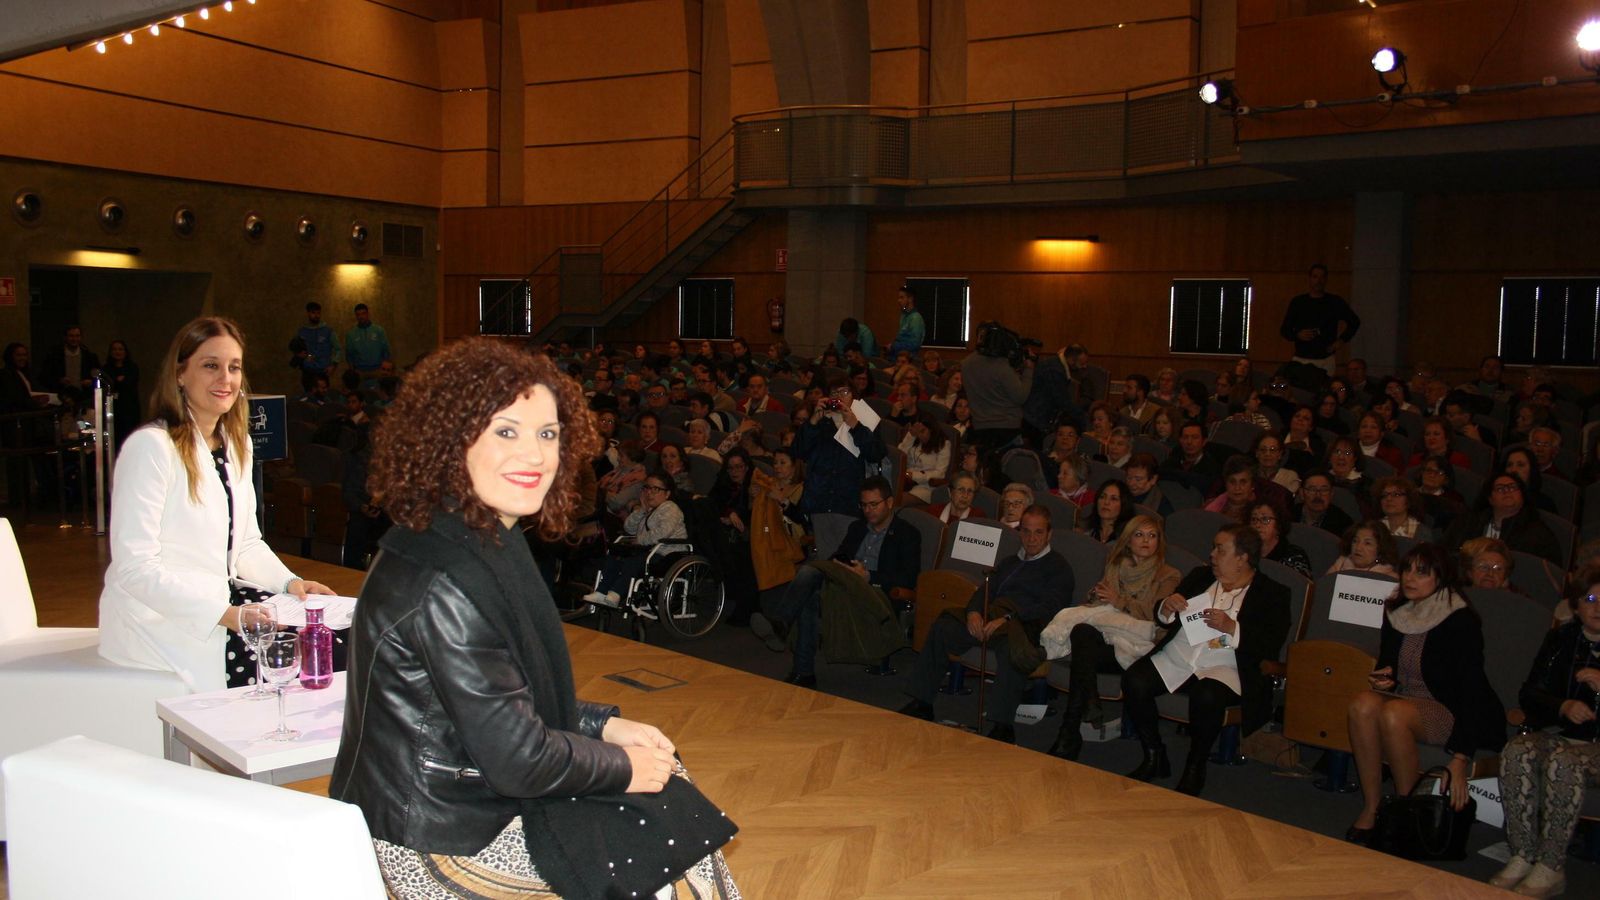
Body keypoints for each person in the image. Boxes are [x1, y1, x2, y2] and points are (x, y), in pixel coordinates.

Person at [327, 339, 737, 898]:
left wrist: (605, 725)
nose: (537, 454)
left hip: (469, 795)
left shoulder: (473, 534)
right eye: (506, 431)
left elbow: (499, 705)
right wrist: (618, 764)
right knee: (662, 864)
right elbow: (517, 759)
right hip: (434, 840)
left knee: (672, 797)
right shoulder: (447, 580)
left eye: (547, 434)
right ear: (450, 440)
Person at [98, 317, 334, 692]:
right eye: (211, 366)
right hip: (161, 619)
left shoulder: (237, 445)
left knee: (332, 637)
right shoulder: (151, 448)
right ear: (179, 374)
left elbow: (246, 545)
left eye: (234, 367)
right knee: (290, 653)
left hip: (222, 603)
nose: (225, 379)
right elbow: (134, 568)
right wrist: (227, 616)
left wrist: (292, 584)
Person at [1344, 545, 1506, 845]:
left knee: (1393, 714)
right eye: (1407, 570)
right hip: (1408, 700)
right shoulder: (1397, 611)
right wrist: (1384, 680)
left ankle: (1409, 814)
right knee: (1361, 704)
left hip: (1451, 709)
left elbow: (1472, 691)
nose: (1410, 578)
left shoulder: (1460, 619)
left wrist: (1460, 758)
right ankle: (1373, 806)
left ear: (1441, 578)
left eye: (1422, 572)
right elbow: (1388, 665)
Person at [1122, 525, 1291, 796]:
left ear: (1242, 557)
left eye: (1220, 549)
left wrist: (1232, 628)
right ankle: (1154, 755)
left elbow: (1270, 643)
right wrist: (1166, 607)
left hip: (1226, 665)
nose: (1212, 554)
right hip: (1180, 656)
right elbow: (1162, 613)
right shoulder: (1200, 577)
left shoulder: (1272, 593)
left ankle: (1195, 765)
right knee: (1134, 680)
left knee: (1207, 695)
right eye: (1214, 548)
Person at [900, 505, 1072, 742]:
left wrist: (1008, 618)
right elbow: (985, 591)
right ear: (1020, 532)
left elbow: (1050, 608)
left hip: (1024, 625)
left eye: (1038, 532)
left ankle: (1003, 725)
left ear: (1049, 534)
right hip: (992, 619)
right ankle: (922, 702)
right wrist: (973, 612)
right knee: (944, 627)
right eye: (1026, 531)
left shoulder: (1059, 568)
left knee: (1011, 651)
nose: (1031, 539)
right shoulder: (1010, 562)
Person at [1490, 567, 1600, 897]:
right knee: (1516, 750)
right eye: (1591, 599)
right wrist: (1563, 706)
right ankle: (1523, 855)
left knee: (1564, 762)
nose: (1598, 608)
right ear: (1576, 605)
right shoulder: (1562, 638)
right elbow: (1530, 694)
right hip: (1560, 735)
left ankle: (1551, 867)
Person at [753, 477, 917, 687]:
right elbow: (838, 556)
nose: (868, 510)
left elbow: (908, 579)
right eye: (864, 505)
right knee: (810, 590)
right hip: (846, 586)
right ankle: (804, 672)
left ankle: (782, 624)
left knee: (808, 573)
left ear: (890, 502)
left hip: (876, 595)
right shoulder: (858, 527)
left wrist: (869, 576)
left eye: (874, 504)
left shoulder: (907, 533)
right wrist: (841, 568)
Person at [1045, 515, 1181, 760]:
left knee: (1082, 651)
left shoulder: (1169, 575)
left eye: (1152, 535)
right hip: (1109, 639)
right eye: (1139, 535)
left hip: (1143, 645)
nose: (1146, 541)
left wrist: (1118, 601)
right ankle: (1082, 712)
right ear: (1128, 541)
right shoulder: (1115, 565)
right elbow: (1102, 611)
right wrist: (1097, 597)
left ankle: (1070, 729)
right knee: (1082, 631)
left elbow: (1157, 614)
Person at [582, 473, 689, 605]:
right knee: (615, 555)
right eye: (647, 488)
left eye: (655, 489)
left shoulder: (671, 508)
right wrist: (642, 510)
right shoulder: (649, 510)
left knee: (634, 561)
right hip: (649, 551)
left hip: (668, 553)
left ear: (667, 494)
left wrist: (640, 540)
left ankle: (616, 594)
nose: (650, 493)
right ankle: (601, 592)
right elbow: (629, 527)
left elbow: (663, 533)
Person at [793, 379, 885, 515]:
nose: (839, 396)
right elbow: (798, 451)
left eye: (845, 392)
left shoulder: (865, 421)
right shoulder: (820, 421)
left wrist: (856, 426)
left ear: (854, 397)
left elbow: (876, 454)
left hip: (850, 502)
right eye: (834, 393)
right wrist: (812, 421)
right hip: (818, 499)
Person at [1444, 471, 1562, 567]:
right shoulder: (1467, 523)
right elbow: (1448, 553)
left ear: (1522, 496)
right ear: (1490, 498)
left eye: (1513, 487)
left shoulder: (1538, 533)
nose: (1507, 491)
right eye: (1500, 488)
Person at [961, 324, 1033, 456]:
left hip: (979, 426)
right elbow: (1020, 396)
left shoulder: (966, 363)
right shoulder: (1001, 365)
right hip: (1007, 428)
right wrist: (1028, 370)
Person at [1279, 263, 1359, 374]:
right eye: (1315, 277)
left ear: (1326, 279)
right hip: (1301, 358)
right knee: (1300, 391)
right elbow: (1284, 330)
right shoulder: (1298, 302)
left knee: (1325, 390)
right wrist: (1297, 335)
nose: (1318, 281)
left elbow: (1354, 322)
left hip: (1325, 359)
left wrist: (1342, 340)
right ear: (1310, 279)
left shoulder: (1334, 302)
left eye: (1322, 277)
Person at [1251, 497, 1312, 579]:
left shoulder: (1294, 556)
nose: (1257, 525)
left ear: (1278, 525)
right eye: (1254, 519)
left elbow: (1301, 588)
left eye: (1265, 519)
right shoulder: (1244, 553)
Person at [898, 413, 951, 503]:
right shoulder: (914, 439)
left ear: (932, 429)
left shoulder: (943, 444)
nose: (920, 435)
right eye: (917, 432)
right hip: (905, 481)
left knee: (898, 500)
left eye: (922, 431)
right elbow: (899, 456)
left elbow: (940, 473)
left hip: (926, 486)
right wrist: (911, 436)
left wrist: (914, 476)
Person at [1371, 475, 1434, 542]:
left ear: (1409, 500)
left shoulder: (1422, 533)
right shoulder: (1373, 528)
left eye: (1396, 494)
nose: (1388, 499)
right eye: (1384, 495)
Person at [1327, 520, 1401, 577]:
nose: (1358, 548)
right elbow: (1322, 589)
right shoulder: (1341, 564)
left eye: (1367, 543)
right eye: (1355, 541)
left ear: (1380, 548)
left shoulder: (1389, 578)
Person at [103, 338, 141, 444]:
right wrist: (118, 381)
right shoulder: (106, 369)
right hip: (113, 408)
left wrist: (119, 382)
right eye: (114, 349)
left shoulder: (132, 367)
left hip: (129, 408)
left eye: (120, 349)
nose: (117, 352)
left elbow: (129, 383)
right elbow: (110, 385)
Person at [1416, 454, 1467, 533]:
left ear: (1446, 479)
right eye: (1429, 470)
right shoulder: (1409, 493)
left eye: (1438, 472)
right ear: (1422, 473)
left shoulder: (1454, 499)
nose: (1432, 475)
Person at [1295, 471, 1355, 536]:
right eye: (1312, 489)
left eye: (1324, 490)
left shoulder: (1344, 523)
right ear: (1301, 493)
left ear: (1331, 494)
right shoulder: (1288, 514)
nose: (1318, 495)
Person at [294, 301, 341, 379]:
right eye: (313, 313)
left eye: (318, 313)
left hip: (323, 371)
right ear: (308, 313)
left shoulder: (328, 331)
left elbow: (338, 349)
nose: (316, 315)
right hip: (307, 371)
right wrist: (299, 355)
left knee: (323, 390)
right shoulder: (302, 331)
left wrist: (333, 366)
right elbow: (295, 348)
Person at [343, 303, 391, 379]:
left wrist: (385, 369)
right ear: (356, 316)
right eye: (358, 314)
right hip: (359, 372)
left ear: (368, 314)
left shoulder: (379, 330)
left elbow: (386, 349)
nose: (361, 317)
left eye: (363, 313)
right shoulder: (351, 334)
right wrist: (353, 371)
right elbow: (349, 354)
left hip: (377, 370)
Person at [1083, 479, 1134, 544]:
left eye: (1113, 499)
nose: (1106, 502)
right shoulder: (1087, 533)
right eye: (1102, 497)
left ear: (1124, 505)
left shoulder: (1128, 539)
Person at [888, 285, 926, 356]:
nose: (899, 300)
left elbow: (915, 344)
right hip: (898, 356)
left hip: (908, 359)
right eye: (899, 298)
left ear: (910, 299)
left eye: (902, 298)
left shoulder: (916, 318)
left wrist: (894, 346)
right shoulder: (904, 316)